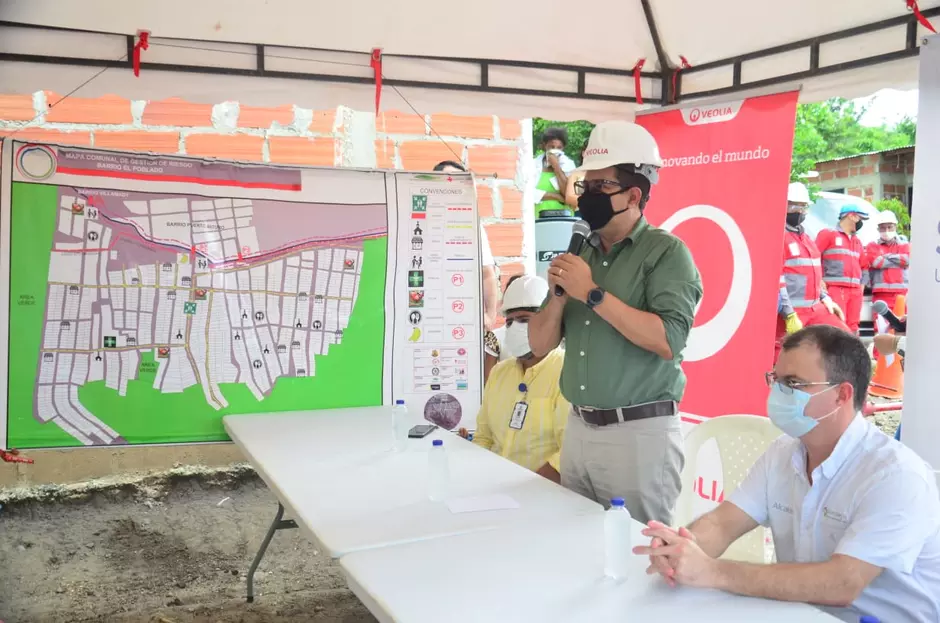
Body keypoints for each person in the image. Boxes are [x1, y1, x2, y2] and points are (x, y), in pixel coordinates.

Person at [636, 325, 940, 623]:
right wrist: (683, 549)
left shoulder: (895, 476)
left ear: (841, 394)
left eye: (793, 384)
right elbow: (723, 522)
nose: (778, 393)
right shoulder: (782, 453)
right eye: (776, 380)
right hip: (800, 613)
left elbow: (843, 582)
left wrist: (712, 571)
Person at [528, 120, 703, 525]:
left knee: (638, 552)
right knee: (578, 544)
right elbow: (538, 345)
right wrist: (559, 294)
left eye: (601, 186)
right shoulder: (581, 252)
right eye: (586, 186)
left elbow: (668, 340)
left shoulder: (666, 253)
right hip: (578, 428)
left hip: (638, 435)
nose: (588, 195)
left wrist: (592, 294)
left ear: (634, 195)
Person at [461, 275, 568, 481]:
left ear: (548, 321)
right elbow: (484, 437)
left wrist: (526, 488)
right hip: (494, 485)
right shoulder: (499, 373)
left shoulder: (566, 372)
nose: (514, 328)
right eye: (509, 322)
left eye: (524, 320)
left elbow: (568, 452)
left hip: (542, 490)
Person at [434, 161, 501, 376]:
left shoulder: (471, 224)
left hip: (464, 320)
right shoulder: (421, 221)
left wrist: (489, 316)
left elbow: (487, 275)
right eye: (448, 181)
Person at [775, 182, 848, 363]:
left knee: (844, 340)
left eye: (803, 207)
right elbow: (777, 279)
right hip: (790, 311)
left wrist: (825, 297)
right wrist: (789, 314)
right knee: (783, 358)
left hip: (815, 308)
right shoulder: (778, 238)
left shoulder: (806, 238)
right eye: (794, 206)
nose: (799, 211)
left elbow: (812, 273)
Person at [815, 204, 870, 334]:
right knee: (836, 324)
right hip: (834, 288)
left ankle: (852, 347)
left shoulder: (857, 241)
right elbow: (814, 257)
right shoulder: (828, 234)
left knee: (853, 326)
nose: (861, 223)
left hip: (855, 291)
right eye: (860, 218)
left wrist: (862, 286)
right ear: (851, 216)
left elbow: (864, 266)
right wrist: (819, 280)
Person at [865, 210, 910, 320]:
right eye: (883, 228)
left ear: (895, 227)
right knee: (881, 326)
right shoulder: (872, 246)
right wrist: (897, 259)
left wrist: (885, 256)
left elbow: (906, 260)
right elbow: (877, 263)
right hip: (881, 294)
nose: (886, 231)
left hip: (902, 295)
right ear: (878, 229)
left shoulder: (905, 245)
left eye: (890, 227)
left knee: (901, 325)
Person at [532, 127, 577, 218]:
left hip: (564, 219)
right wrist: (556, 196)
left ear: (563, 148)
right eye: (551, 147)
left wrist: (556, 166)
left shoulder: (569, 165)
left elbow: (569, 194)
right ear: (544, 146)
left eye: (559, 147)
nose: (555, 150)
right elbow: (527, 193)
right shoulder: (532, 165)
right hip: (538, 219)